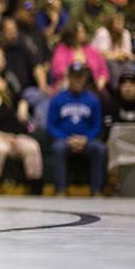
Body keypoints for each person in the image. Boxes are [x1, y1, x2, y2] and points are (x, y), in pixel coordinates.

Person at [45, 63, 106, 196]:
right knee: (58, 148)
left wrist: (86, 139)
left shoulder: (93, 100)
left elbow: (97, 125)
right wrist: (66, 139)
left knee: (99, 148)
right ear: (68, 78)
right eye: (74, 77)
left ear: (84, 78)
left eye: (80, 77)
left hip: (86, 140)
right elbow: (51, 125)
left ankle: (96, 190)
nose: (77, 80)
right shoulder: (57, 99)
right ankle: (60, 190)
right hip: (65, 139)